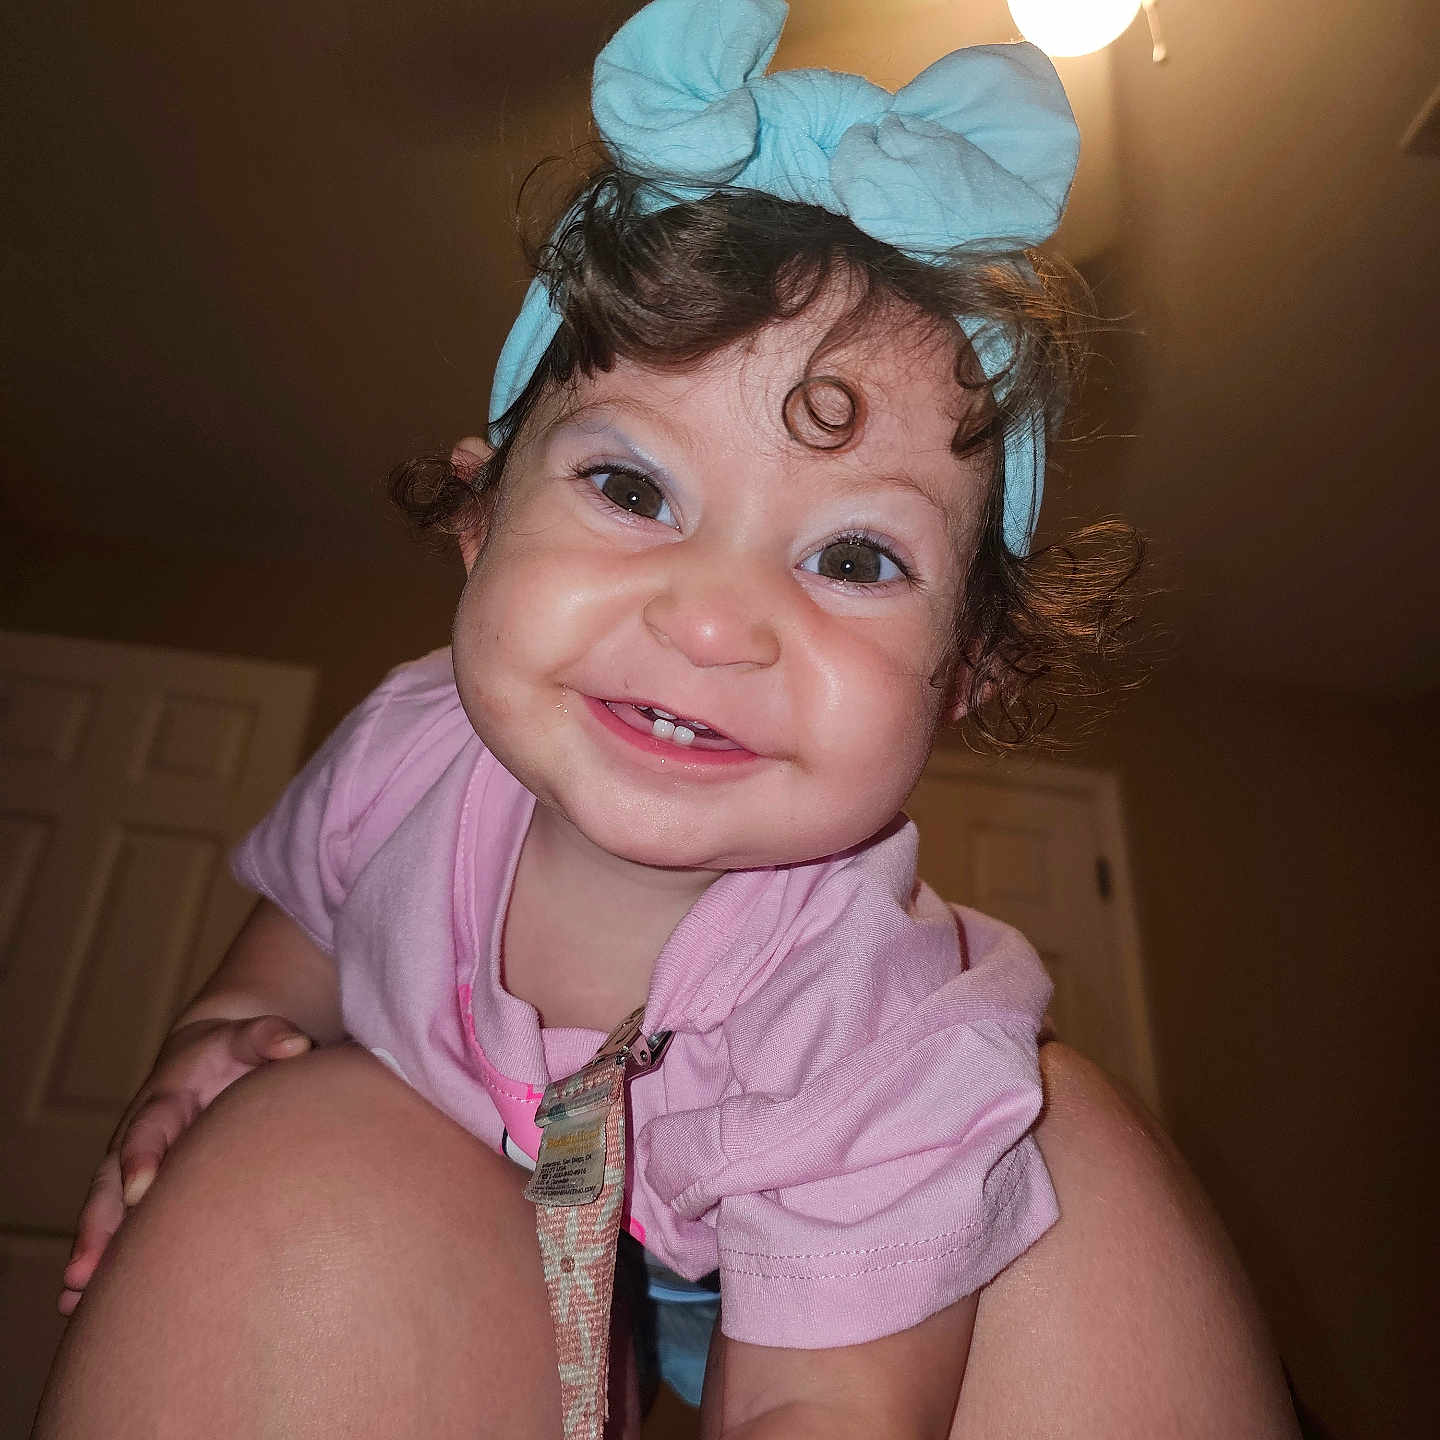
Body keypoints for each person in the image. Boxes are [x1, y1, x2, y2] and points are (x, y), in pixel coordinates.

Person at [35, 2, 1301, 1436]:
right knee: (296, 1143)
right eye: (632, 490)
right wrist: (228, 1032)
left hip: (771, 1298)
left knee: (1074, 1179)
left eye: (854, 559)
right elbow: (312, 926)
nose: (713, 620)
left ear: (965, 677)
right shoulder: (404, 748)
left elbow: (819, 1405)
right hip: (427, 1269)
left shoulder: (886, 1035)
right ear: (477, 520)